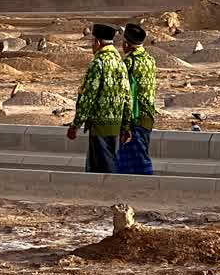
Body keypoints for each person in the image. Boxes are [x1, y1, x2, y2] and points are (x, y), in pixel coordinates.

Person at [67, 23, 131, 174]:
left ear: (98, 43)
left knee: (102, 166)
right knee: (110, 159)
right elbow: (127, 95)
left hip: (99, 123)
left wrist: (75, 125)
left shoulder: (98, 62)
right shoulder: (120, 62)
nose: (91, 46)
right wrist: (126, 125)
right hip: (116, 123)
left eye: (92, 42)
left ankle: (107, 194)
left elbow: (88, 96)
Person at [115, 23, 156, 175]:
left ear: (127, 44)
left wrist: (125, 125)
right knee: (140, 153)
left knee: (134, 162)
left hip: (134, 118)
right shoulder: (150, 60)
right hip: (148, 116)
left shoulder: (129, 63)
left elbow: (126, 94)